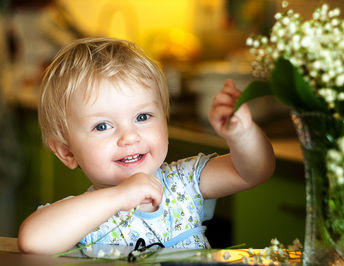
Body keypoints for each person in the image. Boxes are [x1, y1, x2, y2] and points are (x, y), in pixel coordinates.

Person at [17, 37, 275, 255]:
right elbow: (32, 241)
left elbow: (254, 171)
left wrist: (243, 134)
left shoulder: (183, 184)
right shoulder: (86, 216)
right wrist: (119, 197)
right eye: (102, 126)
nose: (129, 137)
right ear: (67, 152)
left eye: (142, 117)